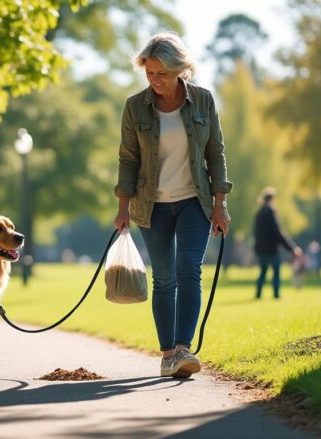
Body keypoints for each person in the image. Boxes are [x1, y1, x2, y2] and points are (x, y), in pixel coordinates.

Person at [113, 33, 232, 379]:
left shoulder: (203, 101)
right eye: (149, 74)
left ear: (180, 69)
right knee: (164, 279)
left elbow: (216, 153)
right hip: (153, 206)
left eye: (161, 74)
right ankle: (168, 354)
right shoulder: (135, 106)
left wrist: (220, 203)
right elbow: (128, 160)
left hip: (194, 201)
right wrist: (123, 208)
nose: (155, 80)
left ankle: (183, 348)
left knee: (188, 270)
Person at [253, 187, 302, 299]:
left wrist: (256, 249)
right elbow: (278, 233)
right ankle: (276, 294)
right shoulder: (270, 213)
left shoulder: (259, 214)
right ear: (272, 200)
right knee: (275, 273)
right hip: (272, 249)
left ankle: (258, 294)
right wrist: (292, 248)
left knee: (262, 273)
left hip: (261, 250)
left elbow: (256, 234)